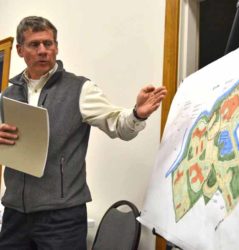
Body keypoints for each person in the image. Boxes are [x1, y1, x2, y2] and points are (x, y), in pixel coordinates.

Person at [0, 16, 167, 249]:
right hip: (15, 214)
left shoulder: (80, 89)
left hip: (62, 217)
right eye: (34, 45)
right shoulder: (8, 94)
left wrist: (138, 113)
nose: (43, 51)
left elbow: (118, 125)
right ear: (19, 50)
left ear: (56, 47)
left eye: (48, 44)